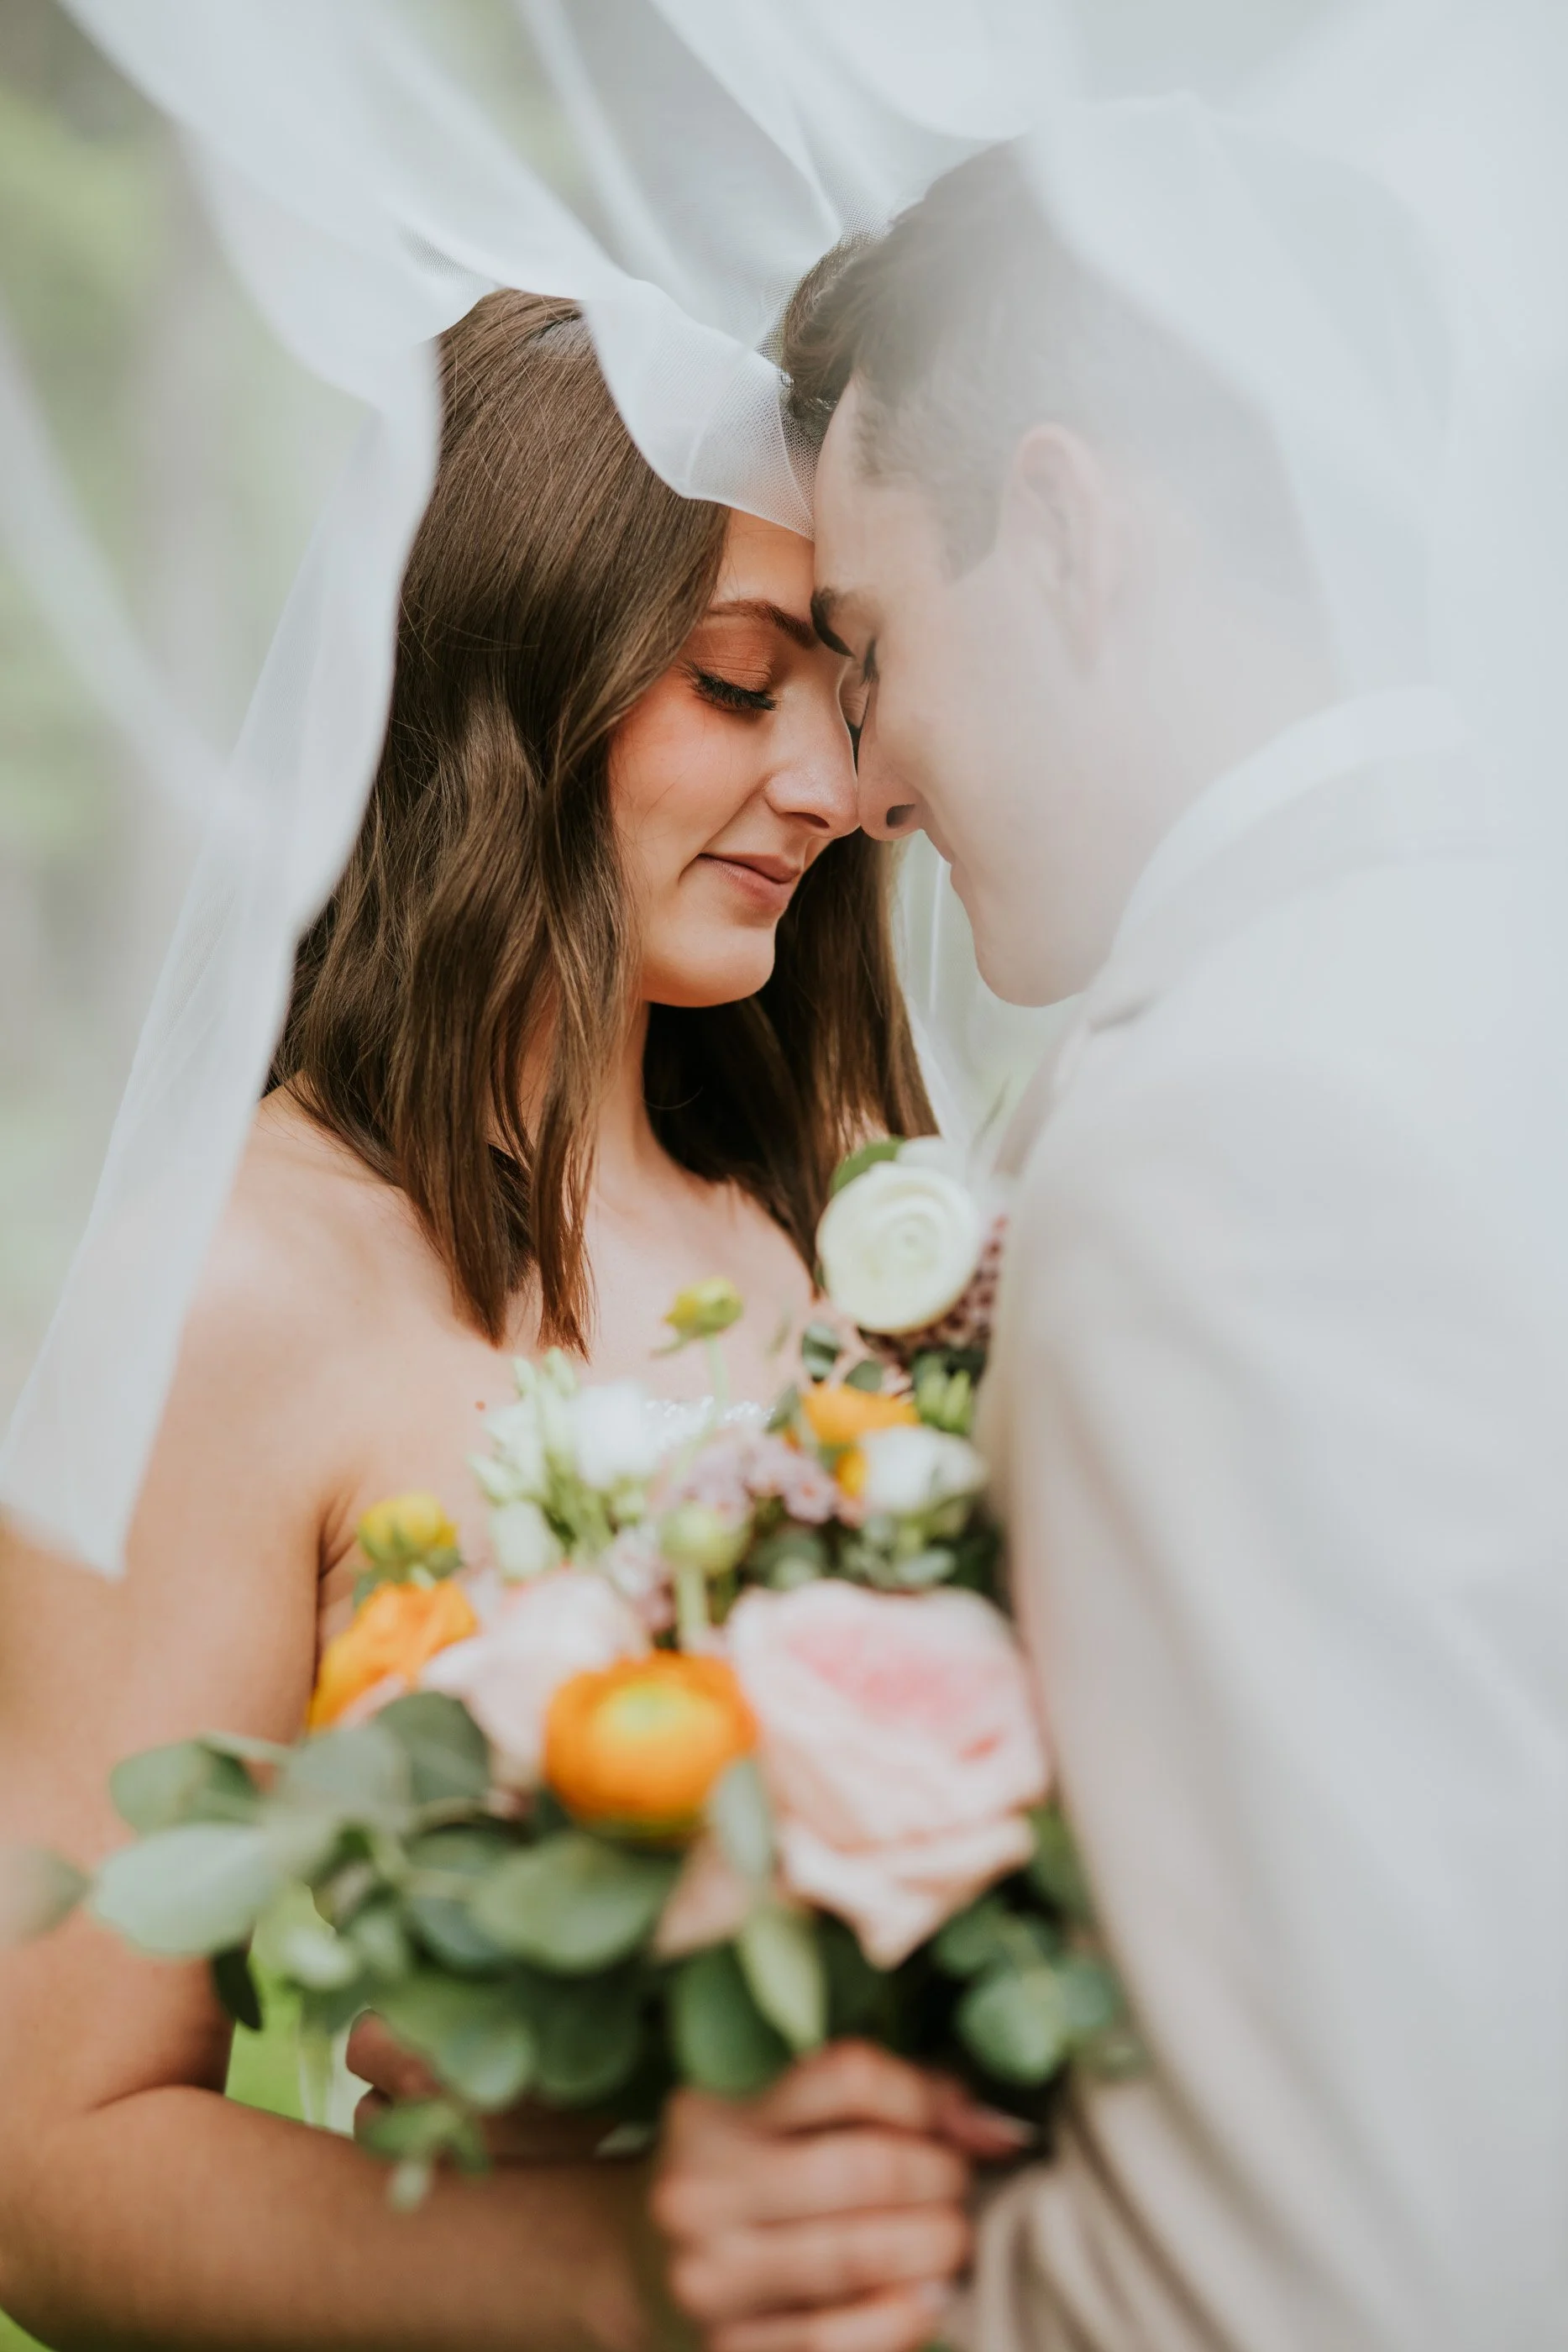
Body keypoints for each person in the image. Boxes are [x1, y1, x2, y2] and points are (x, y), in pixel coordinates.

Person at [0, 287, 1004, 2350]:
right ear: (507, 662)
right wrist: (626, 2264)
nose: (832, 779)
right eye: (738, 684)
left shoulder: (859, 1207)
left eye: (849, 683)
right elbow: (46, 2145)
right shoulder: (238, 1290)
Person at [655, 144, 1568, 2349]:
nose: (860, 785)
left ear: (1066, 529)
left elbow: (1305, 2276)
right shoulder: (1483, 968)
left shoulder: (1233, 1147)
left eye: (863, 651)